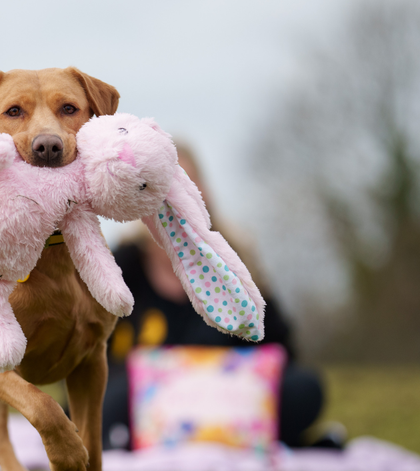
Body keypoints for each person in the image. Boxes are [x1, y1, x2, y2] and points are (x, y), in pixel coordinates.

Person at [101, 144, 343, 451]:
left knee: (304, 388)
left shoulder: (233, 261)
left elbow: (279, 347)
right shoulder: (123, 265)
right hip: (141, 401)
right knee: (106, 396)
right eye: (163, 184)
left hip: (227, 400)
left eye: (185, 183)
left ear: (204, 194)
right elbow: (88, 349)